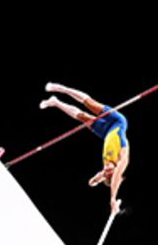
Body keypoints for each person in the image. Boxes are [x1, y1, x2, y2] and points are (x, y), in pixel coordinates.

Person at [40, 83, 129, 213]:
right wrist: (113, 199)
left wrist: (97, 180)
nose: (108, 169)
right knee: (89, 103)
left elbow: (91, 182)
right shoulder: (122, 159)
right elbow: (117, 179)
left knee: (82, 117)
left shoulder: (105, 168)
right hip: (118, 122)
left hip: (105, 132)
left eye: (106, 173)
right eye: (111, 172)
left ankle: (55, 102)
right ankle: (60, 88)